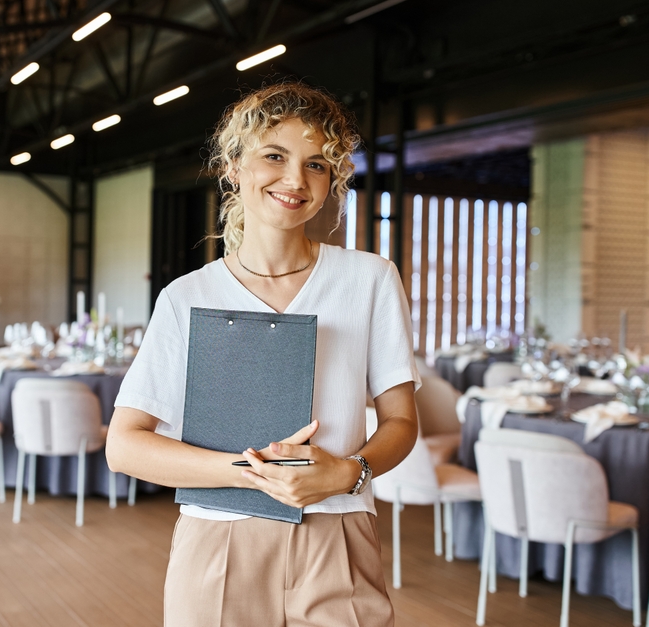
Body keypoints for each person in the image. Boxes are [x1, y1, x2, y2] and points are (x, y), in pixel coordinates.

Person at [107, 81, 420, 626]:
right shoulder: (187, 297)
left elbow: (401, 422)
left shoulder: (369, 280)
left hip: (337, 530)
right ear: (233, 165)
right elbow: (125, 446)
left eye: (318, 164)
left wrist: (350, 471)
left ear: (333, 180)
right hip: (218, 534)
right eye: (274, 156)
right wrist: (253, 473)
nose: (295, 180)